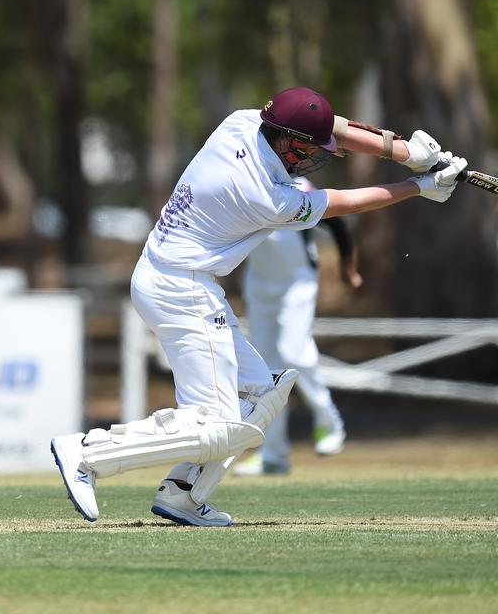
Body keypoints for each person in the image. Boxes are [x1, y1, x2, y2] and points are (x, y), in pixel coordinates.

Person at [51, 87, 466, 526]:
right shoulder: (264, 196)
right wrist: (417, 186)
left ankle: (183, 494)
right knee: (216, 423)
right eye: (308, 149)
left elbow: (336, 129)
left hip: (179, 279)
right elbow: (343, 203)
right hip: (180, 288)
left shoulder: (242, 122)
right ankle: (88, 453)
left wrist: (403, 151)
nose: (316, 156)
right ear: (288, 141)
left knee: (263, 393)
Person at [233, 176, 361, 476]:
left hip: (297, 282)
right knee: (265, 370)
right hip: (259, 284)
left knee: (294, 351)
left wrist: (347, 268)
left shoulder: (300, 188)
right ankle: (272, 455)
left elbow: (336, 222)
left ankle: (329, 421)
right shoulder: (243, 184)